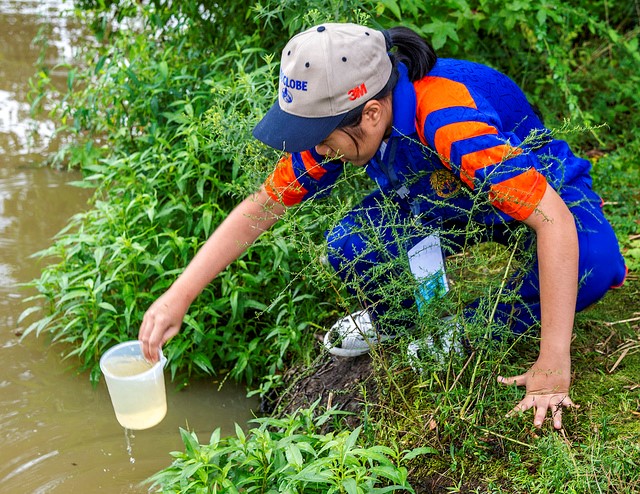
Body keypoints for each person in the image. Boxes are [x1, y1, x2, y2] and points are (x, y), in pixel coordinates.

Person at [138, 23, 627, 429]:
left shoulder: (450, 122)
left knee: (597, 263)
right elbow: (262, 207)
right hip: (441, 201)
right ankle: (412, 320)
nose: (317, 149)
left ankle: (476, 328)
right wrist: (178, 295)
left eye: (320, 138)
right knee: (352, 245)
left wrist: (552, 369)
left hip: (533, 191)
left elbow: (553, 221)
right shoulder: (346, 122)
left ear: (370, 113)